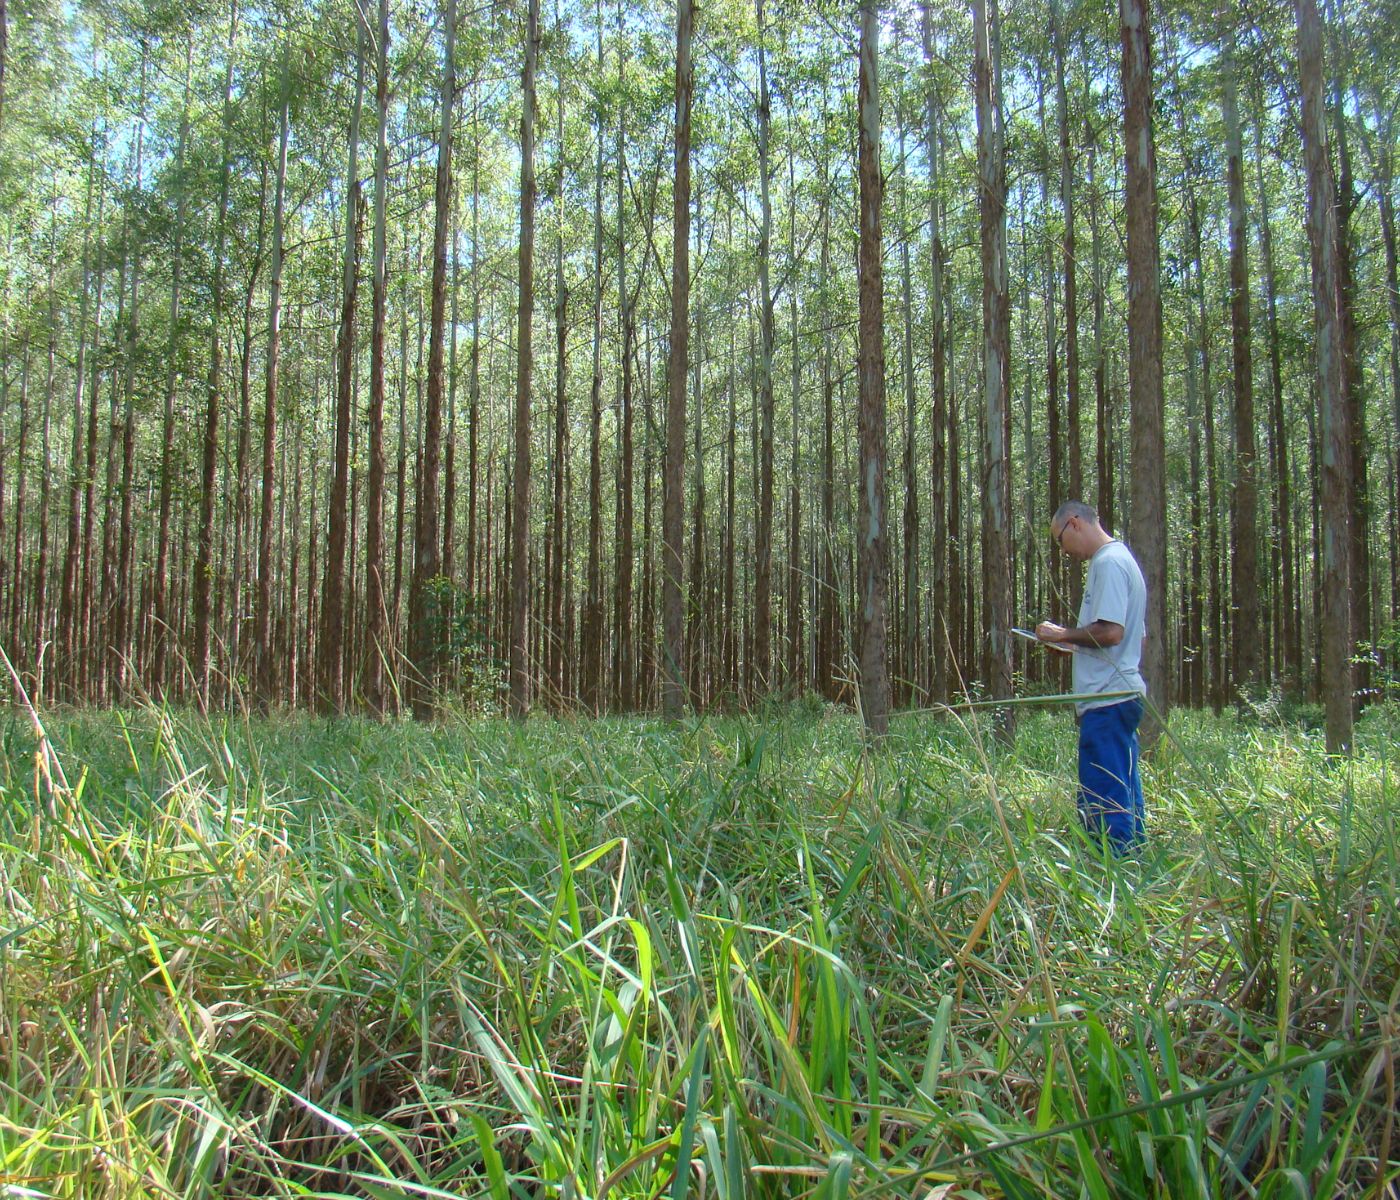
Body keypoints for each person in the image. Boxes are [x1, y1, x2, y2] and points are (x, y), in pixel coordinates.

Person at [1035, 500, 1148, 852]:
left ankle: (1112, 873)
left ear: (1074, 523)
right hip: (1115, 698)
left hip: (1107, 702)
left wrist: (1062, 634)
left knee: (1104, 798)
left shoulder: (1110, 563)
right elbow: (1131, 636)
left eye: (1060, 541)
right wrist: (1074, 646)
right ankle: (1134, 865)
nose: (1063, 551)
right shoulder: (1119, 559)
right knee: (1123, 791)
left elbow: (1112, 632)